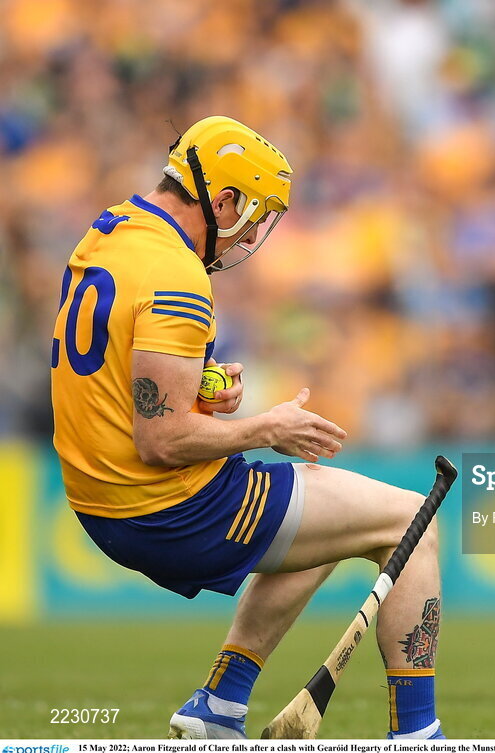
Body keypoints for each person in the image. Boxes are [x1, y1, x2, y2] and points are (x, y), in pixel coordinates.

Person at [51, 116, 445, 741]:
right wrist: (266, 427)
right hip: (166, 507)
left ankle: (220, 706)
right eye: (255, 215)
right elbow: (162, 441)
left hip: (99, 499)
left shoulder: (111, 233)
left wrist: (200, 387)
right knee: (411, 520)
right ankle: (419, 735)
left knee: (323, 513)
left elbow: (118, 366)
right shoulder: (177, 274)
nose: (254, 233)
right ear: (223, 200)